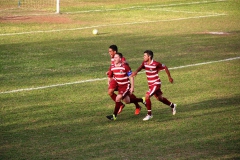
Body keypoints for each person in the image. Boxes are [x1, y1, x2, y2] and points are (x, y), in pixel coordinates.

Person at [131, 50, 177, 121]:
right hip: (151, 84)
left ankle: (149, 114)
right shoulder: (145, 63)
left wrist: (169, 77)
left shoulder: (156, 63)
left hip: (156, 83)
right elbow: (140, 67)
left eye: (145, 55)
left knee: (147, 96)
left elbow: (165, 67)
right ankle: (173, 105)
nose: (143, 57)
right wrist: (136, 72)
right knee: (159, 98)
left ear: (149, 57)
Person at [106, 53, 144, 120]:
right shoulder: (112, 66)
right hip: (118, 84)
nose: (114, 59)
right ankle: (142, 100)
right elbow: (110, 76)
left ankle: (114, 116)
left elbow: (131, 76)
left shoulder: (125, 66)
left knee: (118, 98)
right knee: (127, 101)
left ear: (120, 59)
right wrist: (109, 82)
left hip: (125, 85)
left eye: (116, 57)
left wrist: (132, 87)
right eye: (114, 57)